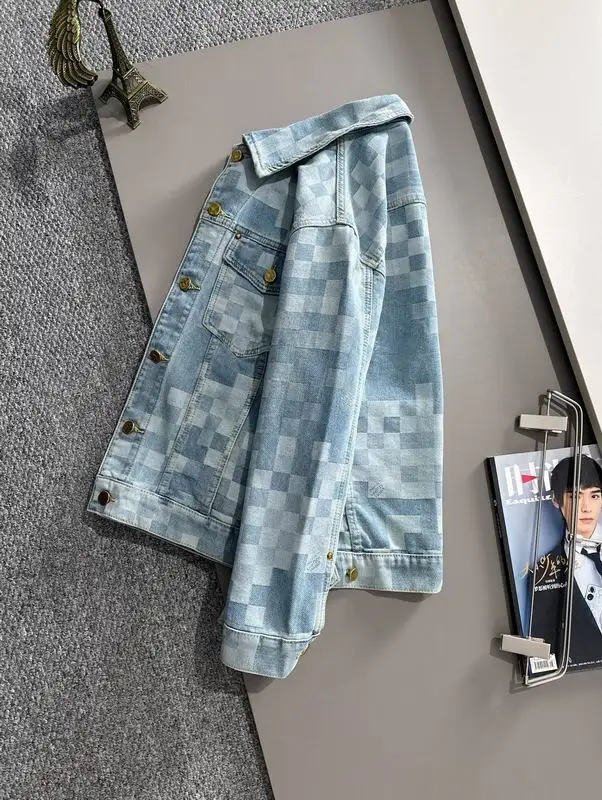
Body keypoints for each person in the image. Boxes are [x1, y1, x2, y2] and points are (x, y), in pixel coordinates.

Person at [531, 454, 602, 666]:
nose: (586, 508)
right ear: (556, 500)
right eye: (575, 497)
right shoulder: (544, 569)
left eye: (594, 496)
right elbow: (544, 643)